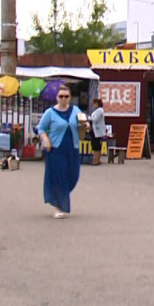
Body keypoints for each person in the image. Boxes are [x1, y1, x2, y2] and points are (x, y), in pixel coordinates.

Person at [37, 84, 84, 219]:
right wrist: (45, 139)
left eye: (66, 96)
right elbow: (41, 128)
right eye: (61, 96)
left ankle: (61, 197)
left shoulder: (75, 110)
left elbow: (82, 123)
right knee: (59, 178)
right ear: (57, 98)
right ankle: (60, 207)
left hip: (72, 148)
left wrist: (85, 125)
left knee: (72, 176)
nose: (63, 99)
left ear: (70, 97)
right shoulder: (50, 112)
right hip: (56, 149)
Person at [88, 98, 106, 165]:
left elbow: (95, 119)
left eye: (94, 104)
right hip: (95, 130)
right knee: (97, 145)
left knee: (95, 145)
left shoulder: (99, 111)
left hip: (97, 130)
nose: (93, 105)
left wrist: (88, 118)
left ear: (97, 104)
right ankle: (97, 159)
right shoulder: (98, 110)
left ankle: (96, 160)